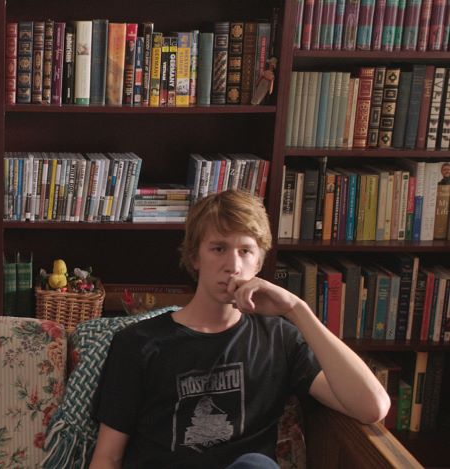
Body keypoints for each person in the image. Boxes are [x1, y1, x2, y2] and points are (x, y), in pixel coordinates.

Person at [88, 190, 389, 469]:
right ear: (195, 256)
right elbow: (108, 456)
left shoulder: (280, 339)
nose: (232, 265)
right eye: (218, 248)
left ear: (259, 262)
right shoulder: (139, 342)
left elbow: (372, 407)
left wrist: (297, 310)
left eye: (245, 251)